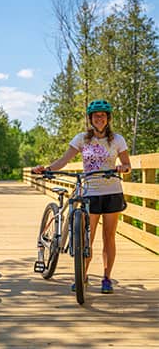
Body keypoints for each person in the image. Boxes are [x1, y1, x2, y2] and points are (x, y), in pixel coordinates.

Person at [32, 99, 131, 294]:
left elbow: (127, 166)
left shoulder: (117, 140)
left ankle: (106, 278)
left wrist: (122, 168)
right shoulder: (81, 139)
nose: (99, 118)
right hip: (90, 193)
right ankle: (82, 276)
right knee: (88, 238)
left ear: (108, 118)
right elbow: (63, 160)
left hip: (112, 192)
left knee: (109, 237)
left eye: (103, 115)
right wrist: (47, 169)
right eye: (96, 116)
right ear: (90, 119)